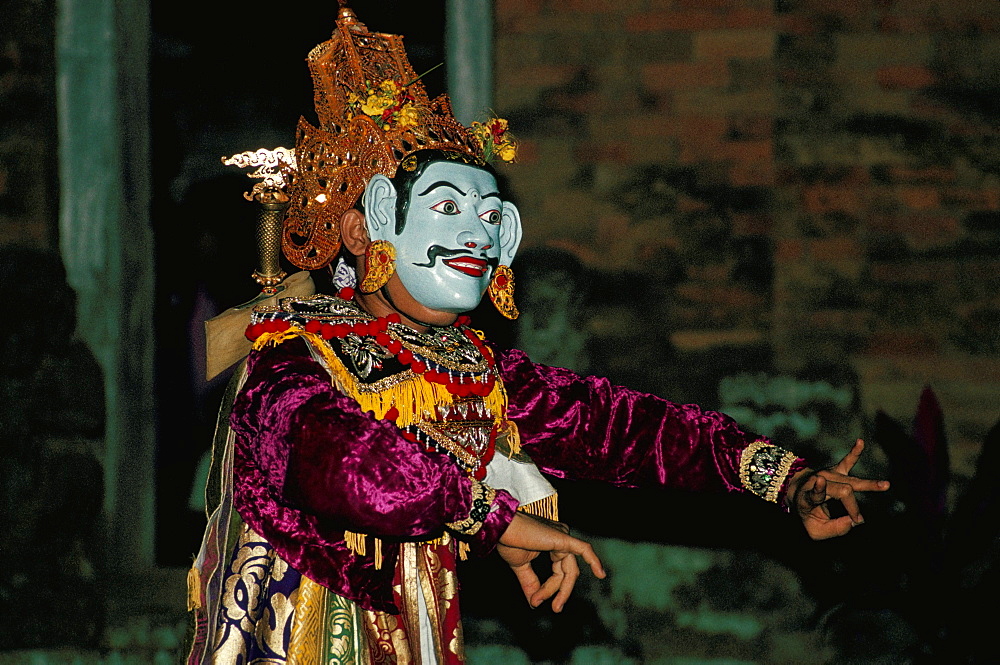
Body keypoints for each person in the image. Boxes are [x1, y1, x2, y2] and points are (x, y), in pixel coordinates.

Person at [186, 5, 889, 663]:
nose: (476, 233)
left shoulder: (471, 368)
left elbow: (622, 427)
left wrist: (784, 478)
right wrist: (493, 518)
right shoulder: (297, 360)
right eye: (448, 206)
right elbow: (350, 466)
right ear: (365, 225)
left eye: (491, 214)